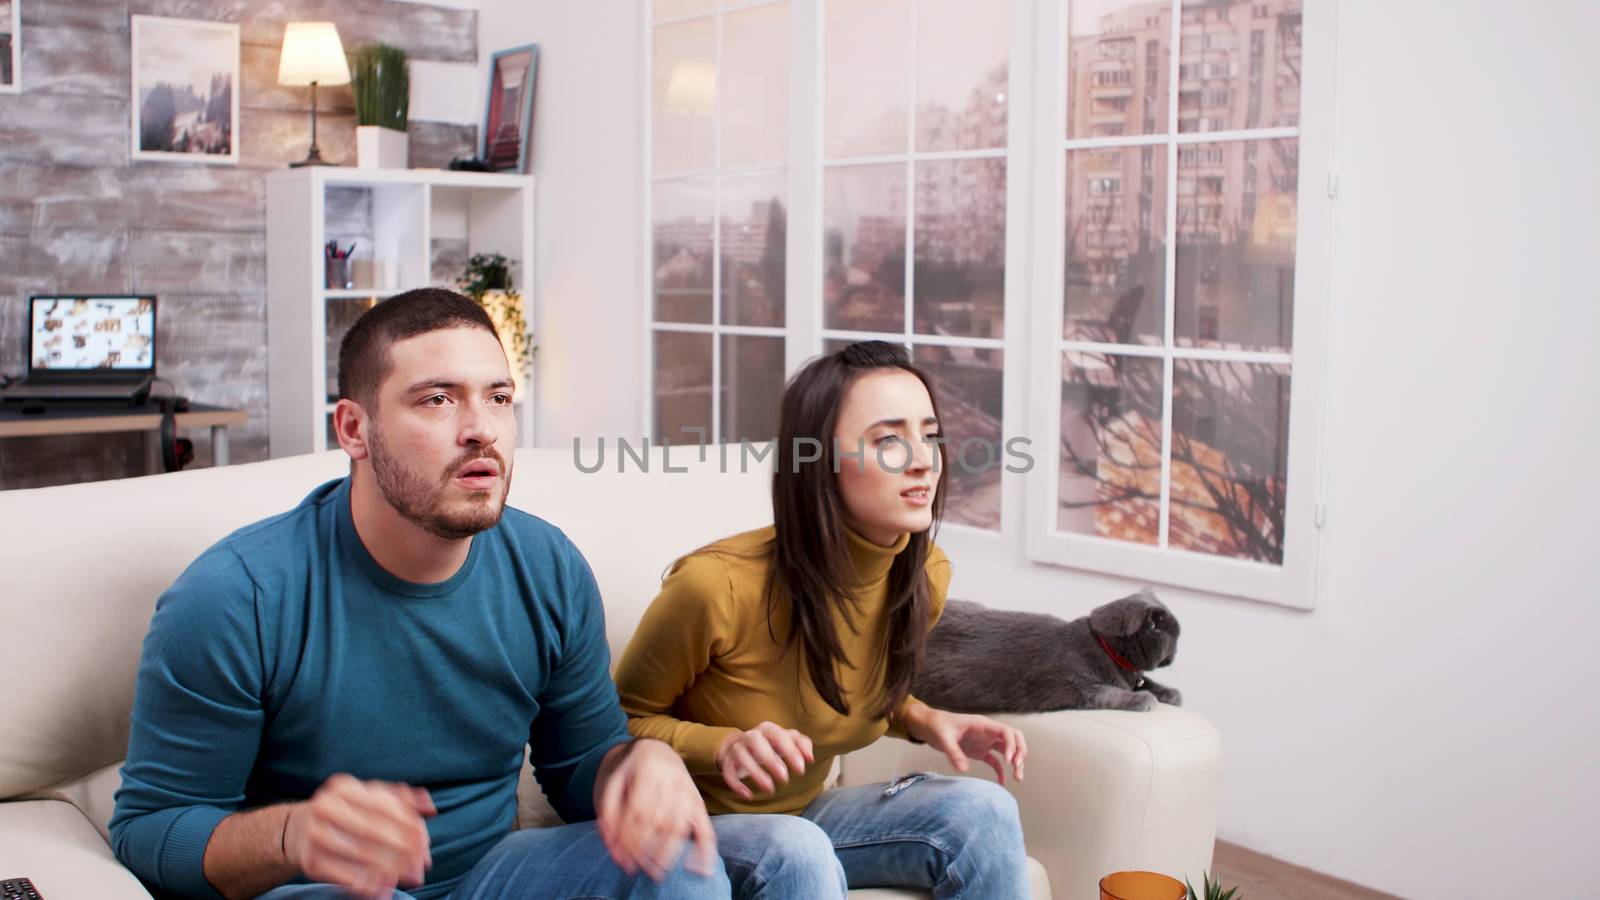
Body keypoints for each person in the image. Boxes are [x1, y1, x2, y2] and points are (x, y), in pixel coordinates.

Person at [109, 289, 724, 900]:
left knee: (722, 857)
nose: (482, 429)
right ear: (355, 429)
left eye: (499, 398)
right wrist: (293, 833)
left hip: (494, 878)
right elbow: (150, 831)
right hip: (332, 890)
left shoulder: (549, 567)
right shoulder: (234, 596)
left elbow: (577, 770)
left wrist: (639, 765)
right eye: (437, 399)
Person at [614, 341, 1031, 898]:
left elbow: (839, 679)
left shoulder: (925, 574)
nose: (923, 459)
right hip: (697, 833)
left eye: (929, 434)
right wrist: (722, 746)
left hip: (806, 816)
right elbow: (617, 723)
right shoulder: (718, 587)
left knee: (985, 810)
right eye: (888, 439)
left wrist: (925, 719)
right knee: (796, 847)